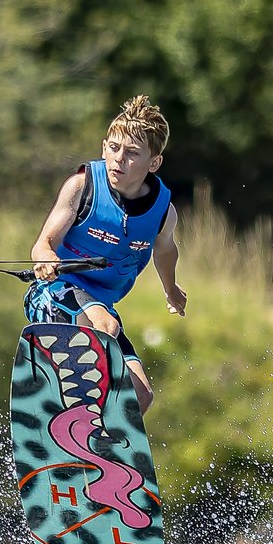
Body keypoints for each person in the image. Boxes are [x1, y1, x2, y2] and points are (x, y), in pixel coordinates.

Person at [26, 95, 187, 415]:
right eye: (113, 148)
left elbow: (165, 250)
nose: (119, 159)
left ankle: (100, 438)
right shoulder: (81, 187)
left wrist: (171, 290)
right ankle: (67, 414)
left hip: (101, 307)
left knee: (140, 395)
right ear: (103, 148)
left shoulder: (162, 212)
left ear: (154, 163)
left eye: (132, 153)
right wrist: (45, 257)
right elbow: (43, 243)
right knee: (105, 326)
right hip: (53, 294)